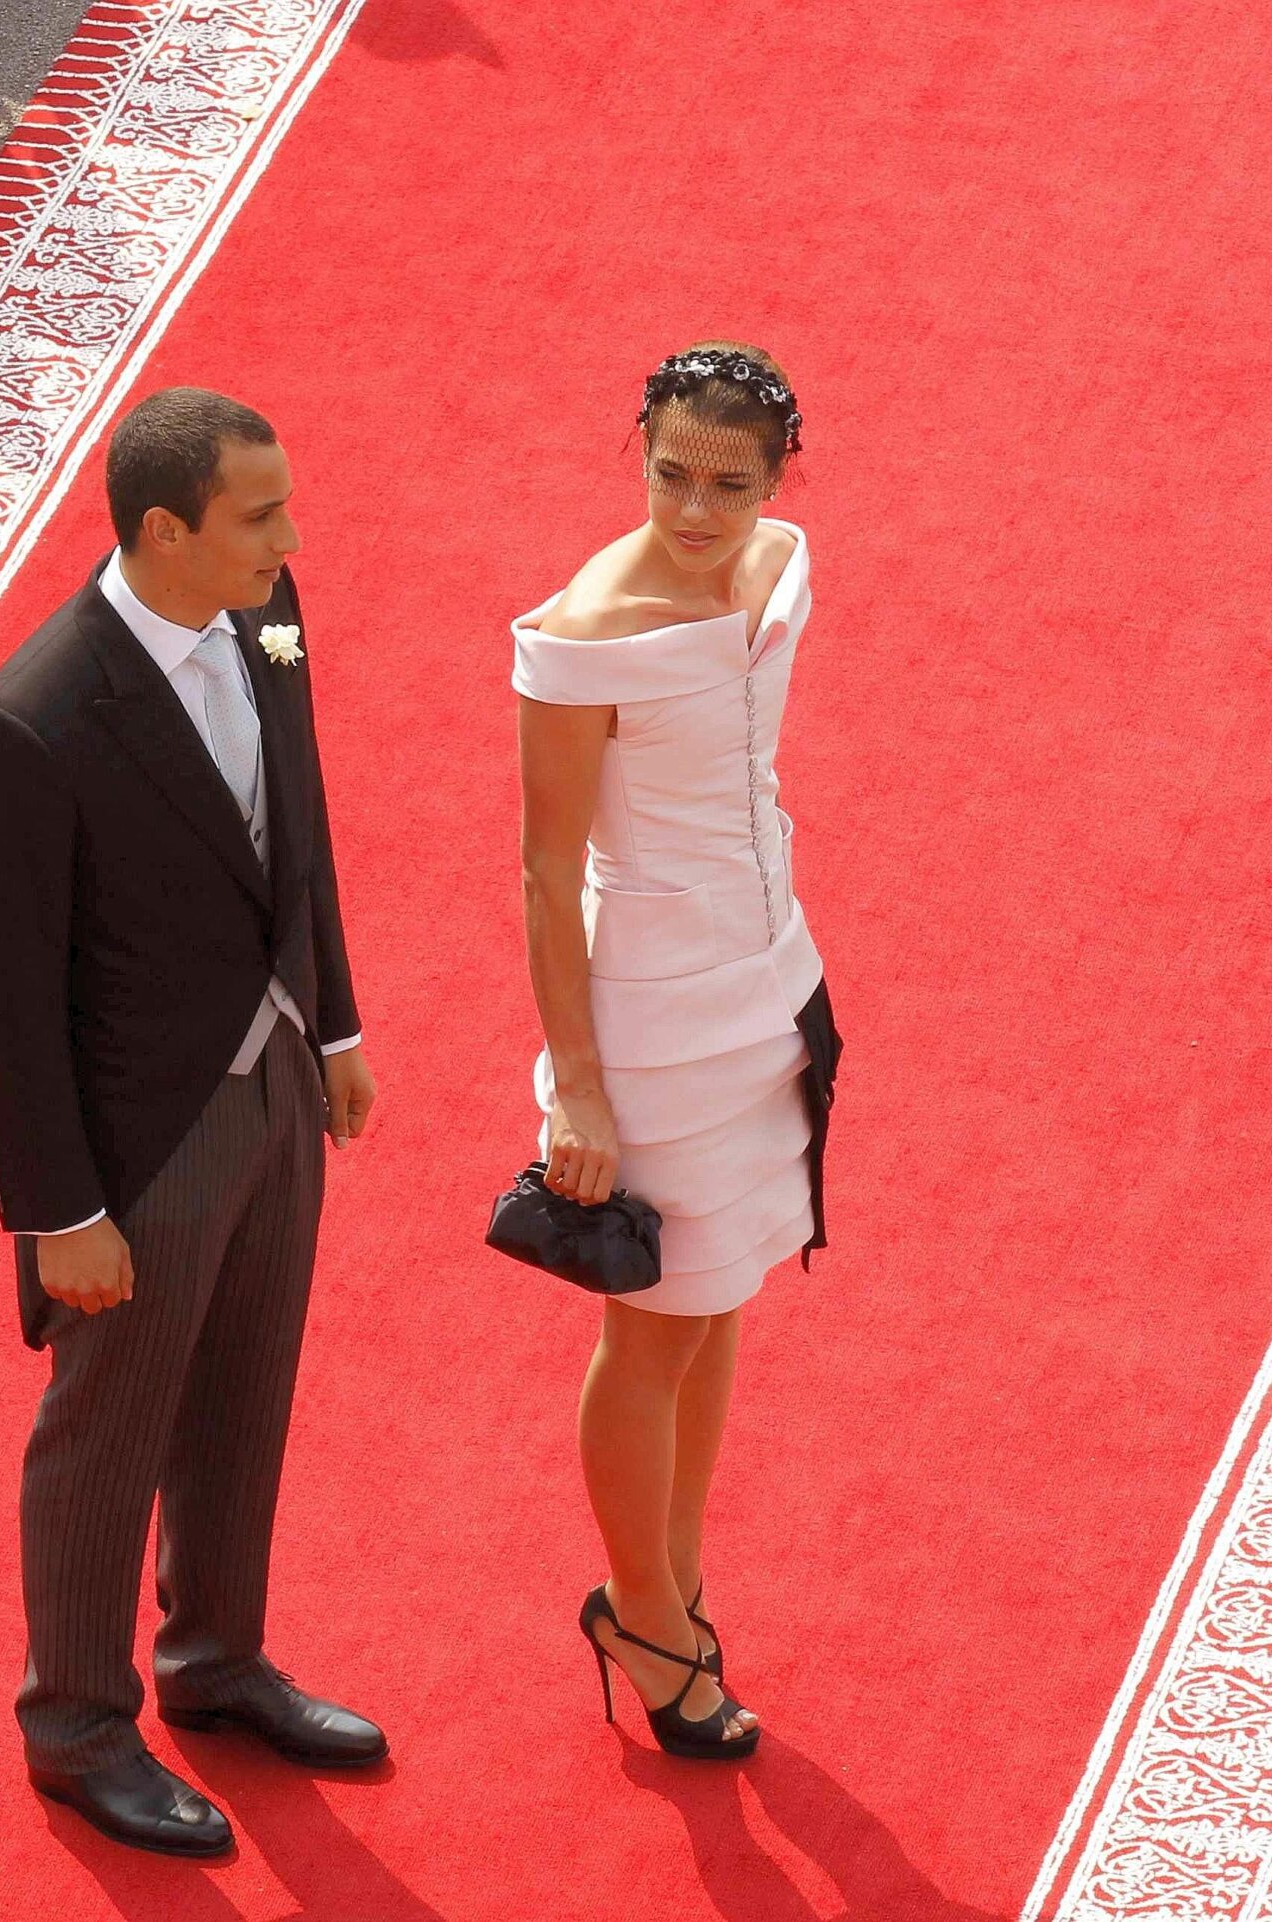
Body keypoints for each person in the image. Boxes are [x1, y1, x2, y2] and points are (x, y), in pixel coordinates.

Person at [0, 388, 386, 1858]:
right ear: (163, 530)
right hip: (139, 1148)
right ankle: (73, 1723)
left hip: (273, 1090)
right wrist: (60, 1214)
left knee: (244, 1396)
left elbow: (296, 822)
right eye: (262, 515)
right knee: (107, 1434)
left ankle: (215, 1659)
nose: (293, 538)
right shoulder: (32, 721)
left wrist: (333, 1023)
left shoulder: (267, 607)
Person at [514, 343, 839, 1763]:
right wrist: (575, 1080)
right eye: (669, 474)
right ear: (633, 447)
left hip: (772, 985)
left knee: (717, 1308)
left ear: (778, 479)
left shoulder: (779, 563)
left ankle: (678, 1579)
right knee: (651, 1323)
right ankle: (641, 1614)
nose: (696, 511)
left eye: (730, 482)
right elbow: (542, 868)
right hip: (650, 1012)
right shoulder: (587, 628)